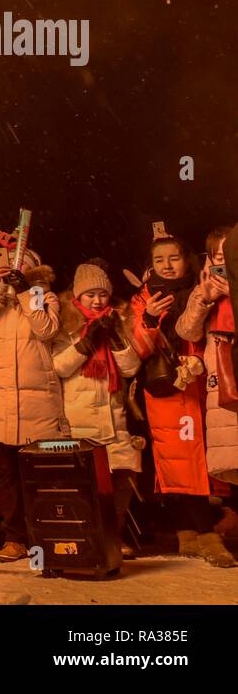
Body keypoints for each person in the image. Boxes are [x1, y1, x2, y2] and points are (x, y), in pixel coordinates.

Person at [130, 231, 233, 566]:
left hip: (205, 382)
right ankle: (199, 532)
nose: (167, 265)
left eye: (173, 258)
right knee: (177, 460)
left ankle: (193, 529)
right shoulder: (142, 296)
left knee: (204, 458)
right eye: (159, 260)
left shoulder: (205, 286)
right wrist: (148, 319)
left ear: (186, 259)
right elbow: (136, 351)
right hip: (167, 388)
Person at [0, 238, 68, 562]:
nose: (14, 267)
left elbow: (46, 329)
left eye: (21, 262)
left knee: (39, 474)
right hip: (2, 399)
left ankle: (45, 535)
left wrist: (26, 291)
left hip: (37, 399)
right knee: (8, 475)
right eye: (9, 262)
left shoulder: (43, 296)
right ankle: (14, 538)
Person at [51, 263, 144, 558]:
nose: (97, 300)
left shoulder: (118, 321)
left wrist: (115, 338)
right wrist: (88, 343)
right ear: (78, 296)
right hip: (79, 420)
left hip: (114, 417)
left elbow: (130, 367)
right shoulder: (67, 326)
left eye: (102, 294)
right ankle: (88, 537)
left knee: (124, 474)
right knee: (86, 485)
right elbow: (59, 367)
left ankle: (112, 535)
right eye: (90, 294)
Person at [169, 229, 238, 566]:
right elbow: (186, 331)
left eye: (227, 254)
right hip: (219, 387)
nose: (220, 261)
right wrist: (204, 297)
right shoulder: (206, 290)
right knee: (231, 465)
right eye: (215, 255)